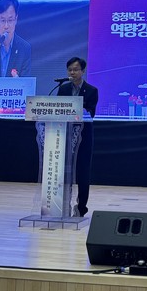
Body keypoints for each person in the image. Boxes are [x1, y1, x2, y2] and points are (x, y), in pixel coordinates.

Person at [57, 56, 98, 217]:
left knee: (82, 171)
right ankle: (62, 204)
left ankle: (81, 207)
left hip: (83, 136)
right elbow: (57, 110)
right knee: (63, 171)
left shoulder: (92, 90)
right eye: (70, 70)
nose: (72, 73)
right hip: (64, 134)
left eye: (75, 69)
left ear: (83, 71)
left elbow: (91, 112)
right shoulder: (63, 89)